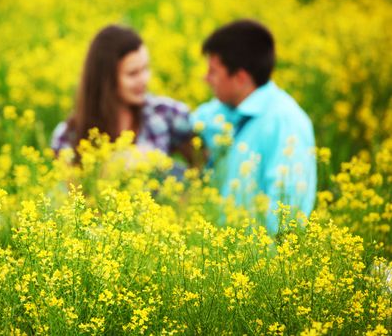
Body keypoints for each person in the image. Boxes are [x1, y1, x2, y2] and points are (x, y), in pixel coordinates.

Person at [191, 19, 316, 234]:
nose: (206, 78)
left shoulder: (285, 122)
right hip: (220, 249)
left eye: (213, 71)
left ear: (240, 78)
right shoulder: (225, 109)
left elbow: (288, 214)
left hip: (256, 259)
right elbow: (189, 123)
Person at [51, 25, 193, 166]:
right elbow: (73, 188)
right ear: (106, 79)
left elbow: (203, 165)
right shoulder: (68, 136)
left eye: (145, 68)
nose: (144, 80)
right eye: (133, 73)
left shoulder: (166, 113)